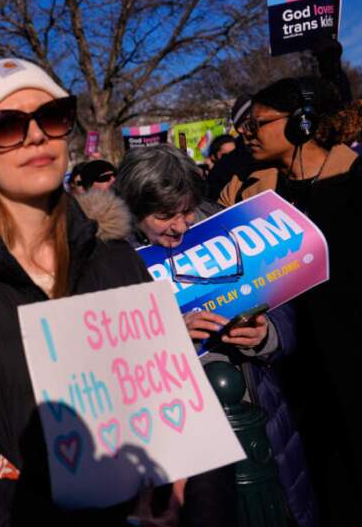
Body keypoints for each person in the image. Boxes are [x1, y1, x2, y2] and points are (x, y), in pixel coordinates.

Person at [0, 58, 162, 524]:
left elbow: (180, 408)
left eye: (53, 116)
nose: (36, 135)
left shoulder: (116, 254)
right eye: (6, 126)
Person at [114, 144, 316, 527]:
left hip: (261, 414)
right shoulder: (108, 257)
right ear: (134, 208)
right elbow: (106, 352)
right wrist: (169, 333)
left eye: (187, 209)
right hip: (178, 432)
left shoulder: (227, 227)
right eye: (163, 216)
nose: (180, 225)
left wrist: (265, 334)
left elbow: (284, 307)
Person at [219, 76, 362, 524]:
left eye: (258, 123)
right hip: (299, 375)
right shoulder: (252, 192)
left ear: (301, 123)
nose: (247, 133)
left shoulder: (355, 181)